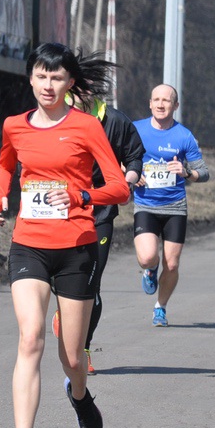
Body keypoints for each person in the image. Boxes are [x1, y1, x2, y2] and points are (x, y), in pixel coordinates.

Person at [0, 43, 130, 428]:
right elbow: (4, 166)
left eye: (56, 77)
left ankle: (80, 396)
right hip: (29, 244)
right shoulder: (15, 125)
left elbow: (120, 188)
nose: (47, 85)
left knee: (72, 357)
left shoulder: (86, 127)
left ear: (69, 83)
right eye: (41, 76)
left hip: (76, 247)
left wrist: (81, 195)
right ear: (30, 78)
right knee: (30, 338)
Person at [51, 87, 144, 374]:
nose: (80, 91)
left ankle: (84, 348)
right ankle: (64, 308)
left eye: (86, 84)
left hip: (98, 212)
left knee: (91, 285)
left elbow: (135, 157)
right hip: (59, 211)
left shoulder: (115, 121)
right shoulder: (53, 116)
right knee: (59, 278)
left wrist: (127, 182)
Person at [131, 84, 209, 327]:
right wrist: (131, 172)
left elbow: (203, 172)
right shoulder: (135, 129)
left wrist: (186, 172)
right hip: (145, 204)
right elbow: (115, 158)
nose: (160, 104)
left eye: (166, 100)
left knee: (172, 264)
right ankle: (151, 269)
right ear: (150, 103)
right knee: (147, 257)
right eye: (156, 99)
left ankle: (160, 307)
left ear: (175, 105)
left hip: (175, 206)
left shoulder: (184, 136)